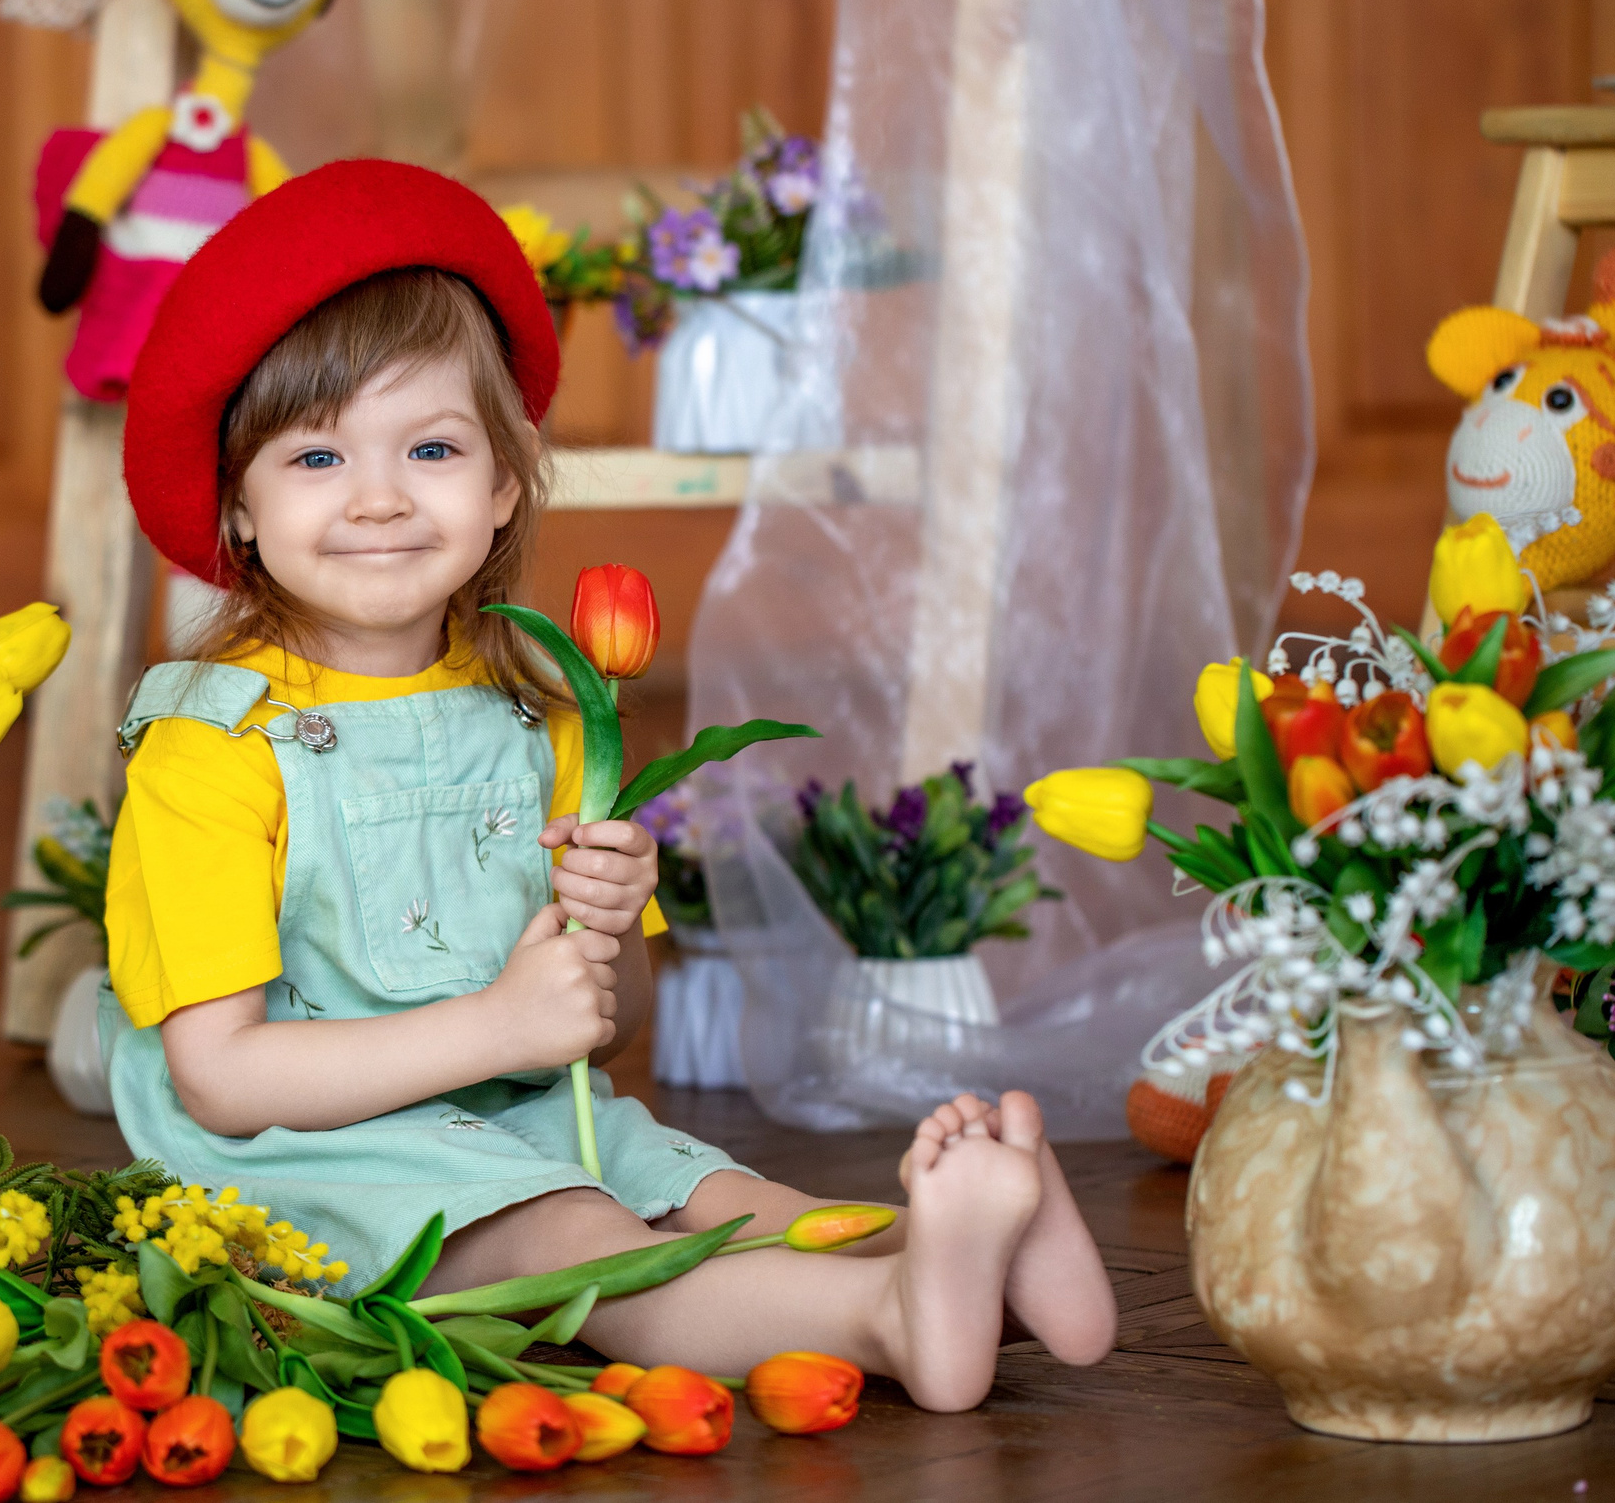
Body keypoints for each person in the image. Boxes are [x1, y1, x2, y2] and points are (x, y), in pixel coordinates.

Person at [96, 159, 1116, 1411]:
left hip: (526, 1106)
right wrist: (496, 1029)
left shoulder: (538, 711)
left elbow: (604, 1024)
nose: (376, 498)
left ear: (504, 481)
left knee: (717, 1194)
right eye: (314, 458)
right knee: (579, 1248)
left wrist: (604, 925)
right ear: (236, 509)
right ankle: (894, 1314)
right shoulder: (211, 748)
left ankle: (981, 1260)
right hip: (315, 1160)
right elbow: (221, 1075)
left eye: (429, 446)